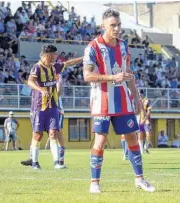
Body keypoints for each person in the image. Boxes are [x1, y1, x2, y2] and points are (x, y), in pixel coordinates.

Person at [82, 8, 155, 194]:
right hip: (102, 101)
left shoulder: (123, 45)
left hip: (123, 100)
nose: (117, 29)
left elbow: (128, 73)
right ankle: (94, 183)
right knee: (100, 140)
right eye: (112, 25)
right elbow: (88, 76)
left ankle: (140, 179)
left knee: (132, 137)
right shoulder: (93, 47)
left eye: (119, 25)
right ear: (103, 26)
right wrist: (112, 77)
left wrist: (136, 97)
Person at [26, 45, 83, 170]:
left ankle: (57, 162)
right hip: (39, 106)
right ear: (48, 55)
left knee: (53, 133)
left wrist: (84, 58)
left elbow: (69, 63)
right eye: (54, 55)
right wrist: (41, 89)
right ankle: (35, 163)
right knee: (38, 135)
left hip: (53, 106)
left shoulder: (54, 67)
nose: (56, 57)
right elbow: (30, 81)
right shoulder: (37, 67)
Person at [20, 74, 66, 168]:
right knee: (36, 133)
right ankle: (32, 158)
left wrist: (57, 83)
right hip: (38, 109)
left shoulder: (55, 74)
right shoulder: (38, 78)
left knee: (57, 133)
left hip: (55, 108)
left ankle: (60, 160)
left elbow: (58, 92)